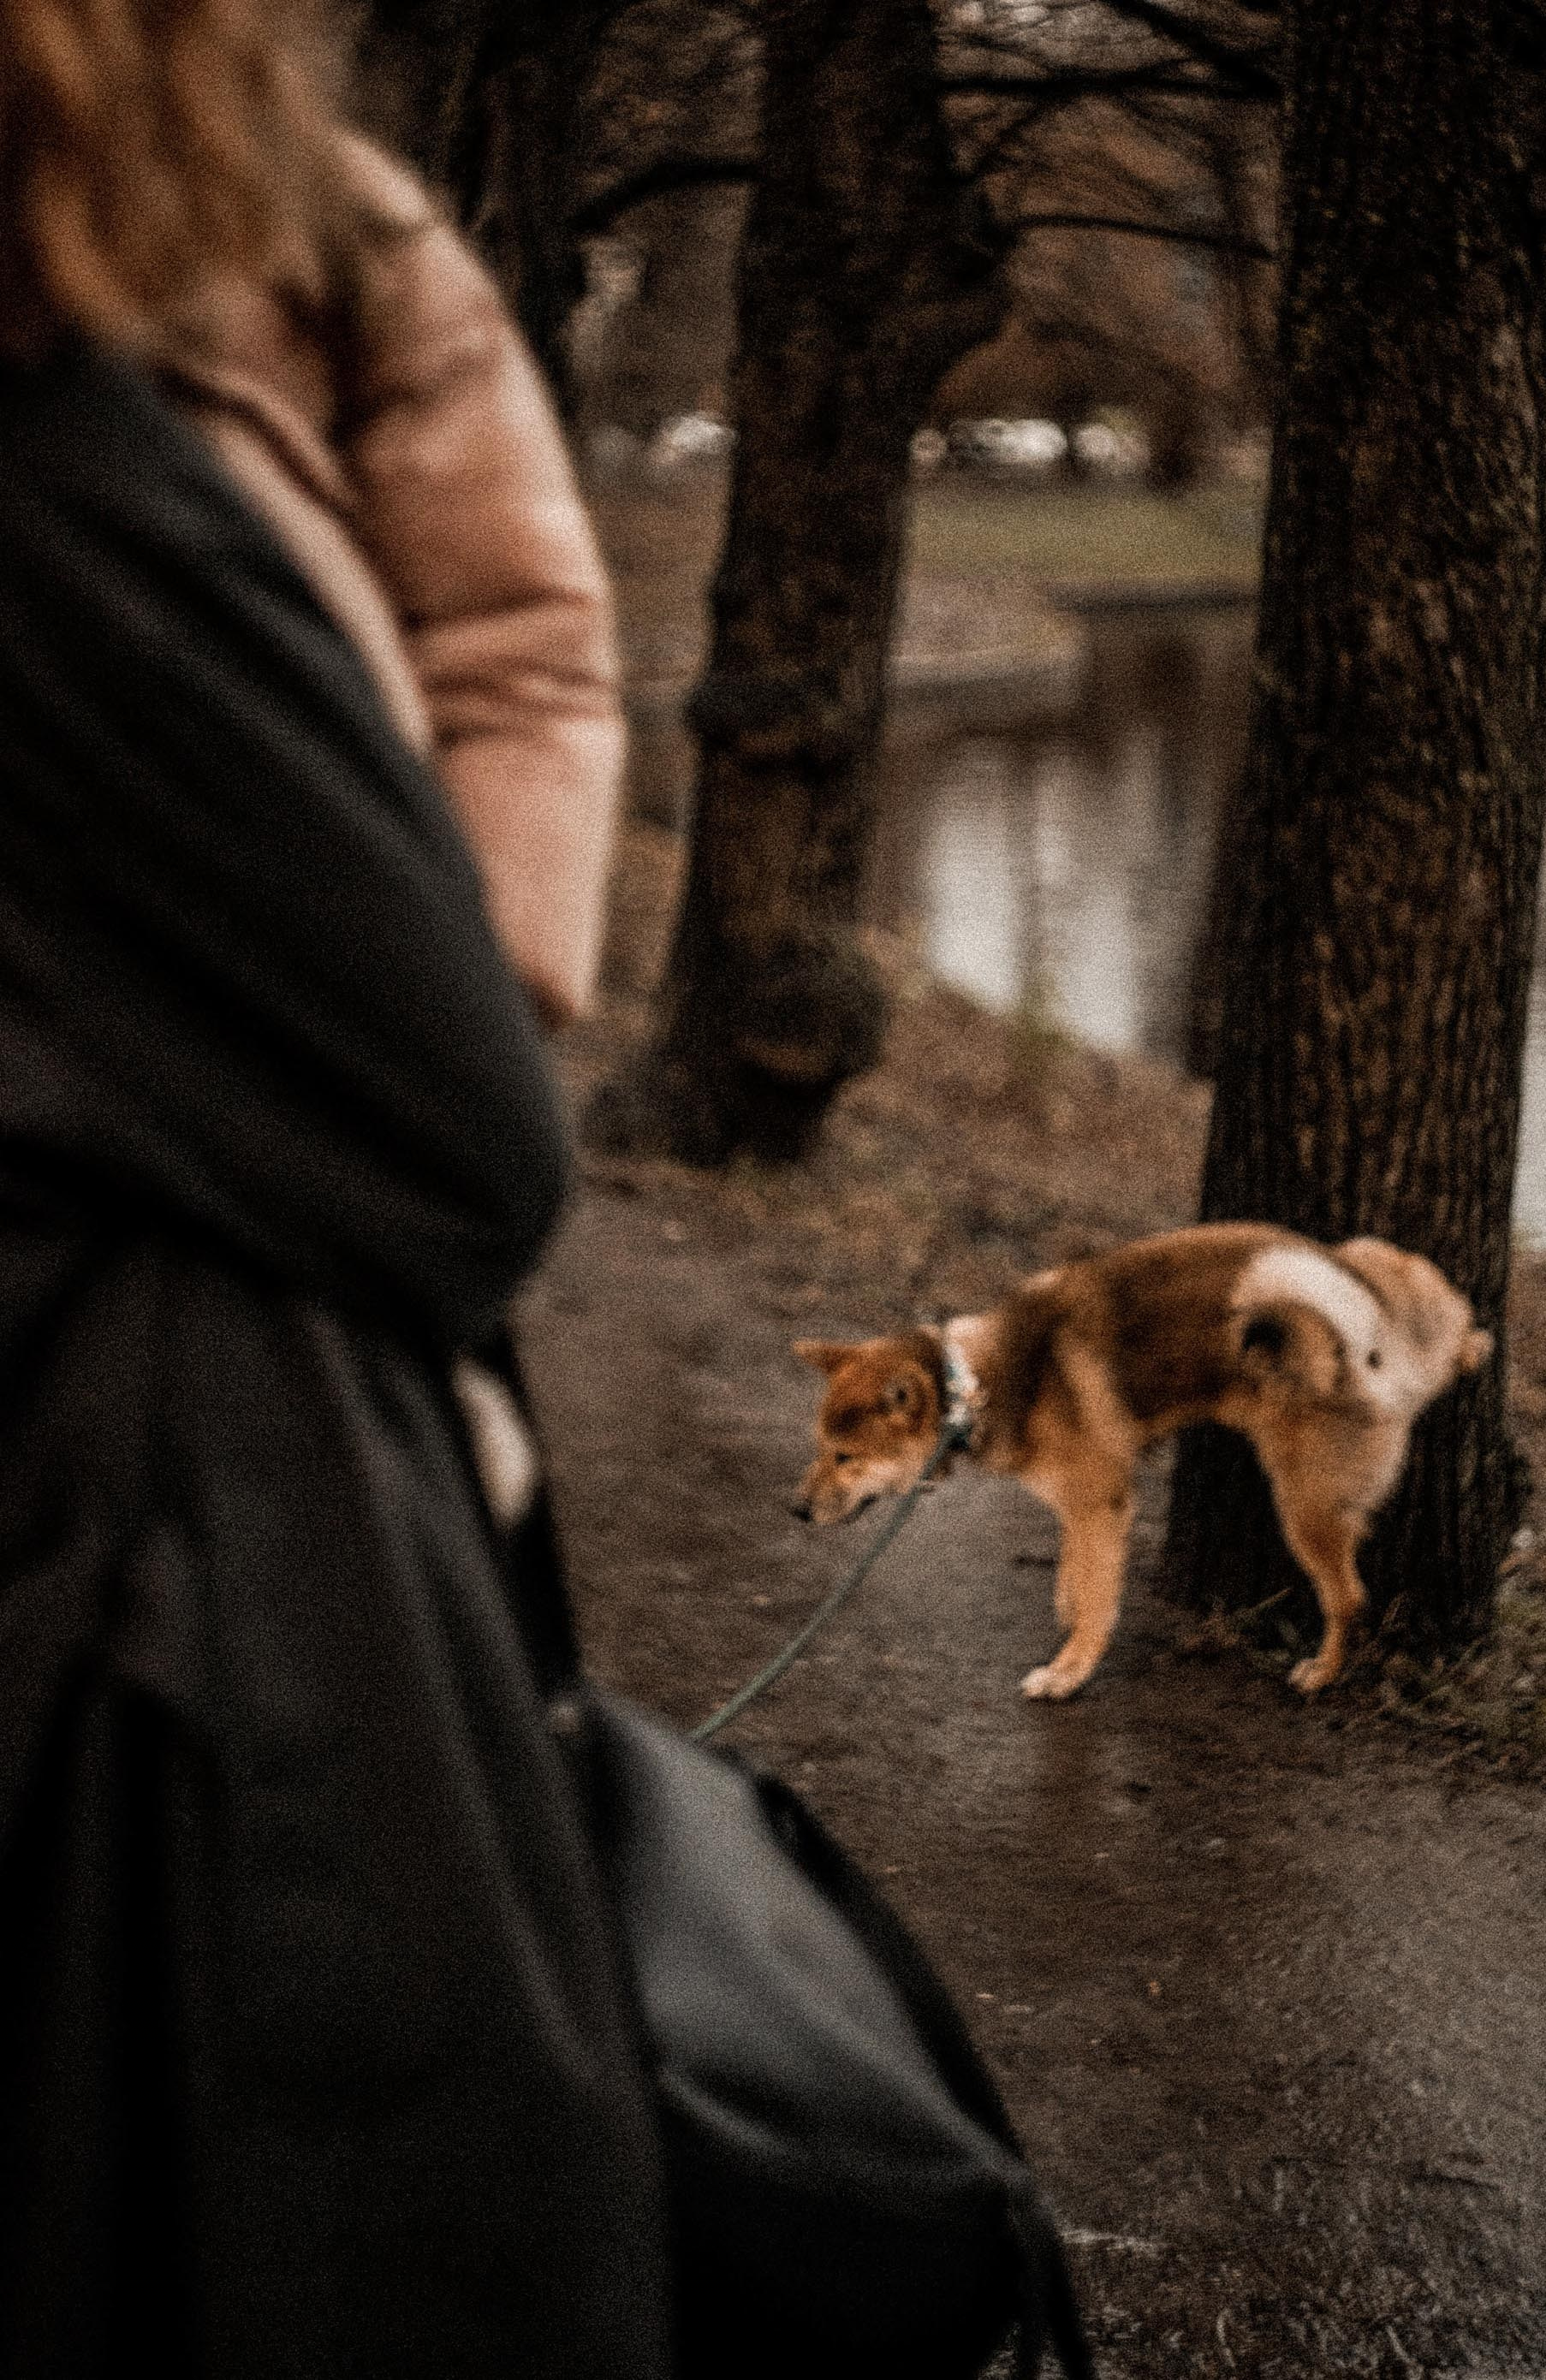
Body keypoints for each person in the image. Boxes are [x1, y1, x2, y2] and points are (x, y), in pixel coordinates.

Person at [0, 6, 672, 2372]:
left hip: (313, 951)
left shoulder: (348, 238)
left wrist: (462, 952)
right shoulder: (68, 464)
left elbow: (524, 641)